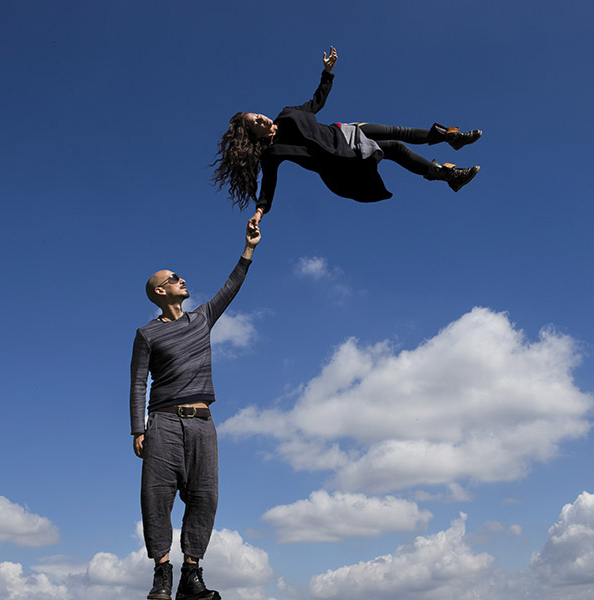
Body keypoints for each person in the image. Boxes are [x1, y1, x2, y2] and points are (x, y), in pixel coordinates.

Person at [130, 221, 261, 600]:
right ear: (160, 291)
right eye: (174, 278)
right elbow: (138, 382)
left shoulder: (201, 319)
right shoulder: (147, 334)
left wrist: (248, 248)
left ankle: (191, 575)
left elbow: (230, 288)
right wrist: (138, 429)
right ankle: (162, 574)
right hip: (163, 423)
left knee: (205, 496)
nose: (182, 279)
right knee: (156, 496)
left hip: (203, 423)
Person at [212, 47, 482, 227]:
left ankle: (452, 139)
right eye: (256, 123)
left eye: (258, 115)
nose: (262, 118)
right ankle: (450, 176)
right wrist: (260, 212)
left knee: (398, 131)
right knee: (396, 148)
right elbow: (268, 185)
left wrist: (327, 73)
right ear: (253, 134)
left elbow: (316, 103)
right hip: (342, 159)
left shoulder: (287, 114)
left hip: (344, 131)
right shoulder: (273, 152)